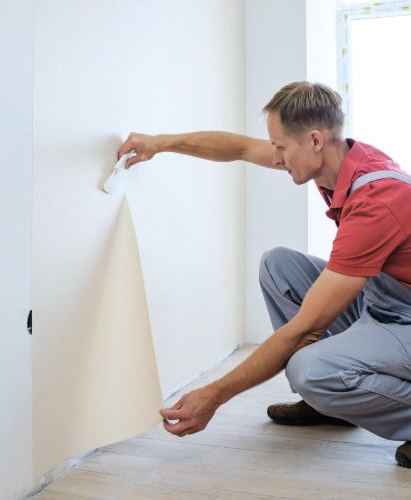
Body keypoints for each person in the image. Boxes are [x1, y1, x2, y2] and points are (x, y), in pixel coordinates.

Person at [117, 82, 411, 468]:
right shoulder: (338, 159)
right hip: (385, 300)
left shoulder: (377, 200)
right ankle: (332, 408)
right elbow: (239, 148)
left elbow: (306, 329)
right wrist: (161, 142)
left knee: (310, 368)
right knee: (280, 265)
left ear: (315, 140)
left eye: (280, 147)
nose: (275, 156)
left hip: (404, 314)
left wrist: (215, 394)